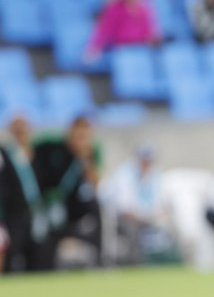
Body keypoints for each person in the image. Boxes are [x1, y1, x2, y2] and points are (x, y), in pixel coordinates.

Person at [30, 115, 104, 269]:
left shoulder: (91, 152)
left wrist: (83, 157)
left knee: (97, 209)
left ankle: (100, 260)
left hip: (76, 207)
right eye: (78, 134)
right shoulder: (53, 147)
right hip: (53, 204)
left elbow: (95, 182)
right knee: (46, 242)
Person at [101, 145, 174, 264]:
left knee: (166, 231)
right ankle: (135, 264)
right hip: (123, 219)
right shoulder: (124, 174)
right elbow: (125, 208)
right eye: (144, 159)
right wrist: (145, 216)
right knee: (132, 231)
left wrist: (154, 215)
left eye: (149, 160)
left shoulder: (155, 174)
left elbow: (160, 202)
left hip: (147, 218)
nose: (147, 163)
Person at [0, 115, 47, 273]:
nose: (20, 130)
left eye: (23, 125)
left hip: (35, 212)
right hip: (13, 215)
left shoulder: (37, 153)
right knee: (12, 255)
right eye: (16, 126)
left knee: (37, 255)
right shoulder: (6, 153)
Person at [84, 0, 161, 62]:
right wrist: (95, 46)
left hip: (141, 49)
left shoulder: (145, 5)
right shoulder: (115, 5)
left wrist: (153, 40)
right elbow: (105, 29)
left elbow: (150, 31)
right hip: (122, 49)